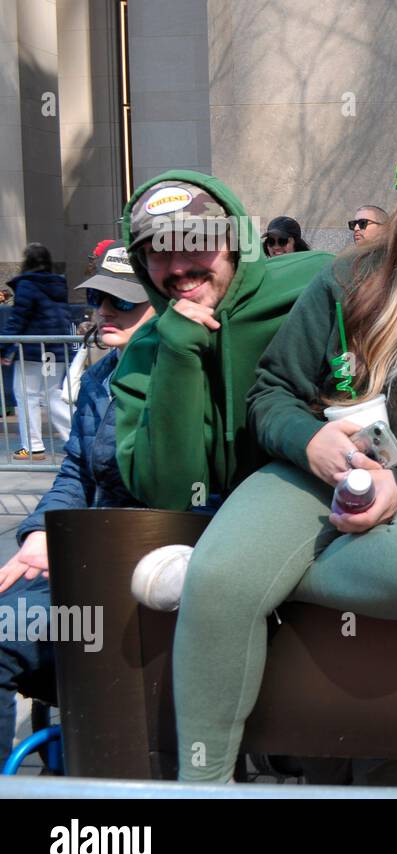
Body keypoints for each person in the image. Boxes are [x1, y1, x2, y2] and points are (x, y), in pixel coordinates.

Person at [162, 113, 397, 784]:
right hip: (319, 469)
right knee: (218, 577)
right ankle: (201, 786)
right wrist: (313, 440)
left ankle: (249, 587)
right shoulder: (349, 276)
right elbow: (269, 393)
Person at [0, 242, 153, 766]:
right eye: (98, 300)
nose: (105, 311)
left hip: (135, 579)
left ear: (162, 305)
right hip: (85, 561)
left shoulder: (183, 382)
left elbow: (179, 501)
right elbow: (74, 472)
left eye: (123, 302)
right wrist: (41, 531)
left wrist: (75, 551)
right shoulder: (98, 375)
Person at [111, 172, 333, 513]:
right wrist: (176, 354)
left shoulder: (313, 284)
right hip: (215, 530)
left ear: (234, 240)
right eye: (157, 252)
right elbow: (170, 494)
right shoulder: (145, 349)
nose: (180, 267)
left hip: (336, 507)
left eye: (196, 242)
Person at [1, 243, 73, 461]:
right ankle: (77, 436)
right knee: (52, 395)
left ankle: (32, 446)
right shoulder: (59, 285)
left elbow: (18, 318)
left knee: (26, 395)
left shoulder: (27, 285)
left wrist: (4, 346)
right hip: (54, 349)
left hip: (32, 352)